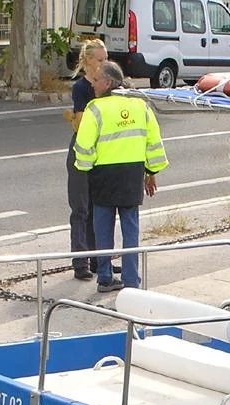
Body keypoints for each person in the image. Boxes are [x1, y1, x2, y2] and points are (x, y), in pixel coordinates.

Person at [74, 61, 168, 293]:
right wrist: (151, 172)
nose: (93, 84)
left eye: (96, 80)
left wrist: (85, 170)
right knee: (131, 230)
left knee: (102, 230)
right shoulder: (140, 106)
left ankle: (105, 277)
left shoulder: (94, 109)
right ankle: (131, 280)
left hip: (103, 176)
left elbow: (84, 146)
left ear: (108, 82)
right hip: (132, 175)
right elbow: (153, 141)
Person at [65, 38, 107, 281]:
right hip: (82, 151)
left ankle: (100, 259)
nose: (105, 63)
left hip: (102, 151)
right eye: (100, 60)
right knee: (80, 208)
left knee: (98, 207)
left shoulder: (107, 85)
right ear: (88, 62)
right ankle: (80, 262)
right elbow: (81, 125)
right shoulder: (82, 88)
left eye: (106, 59)